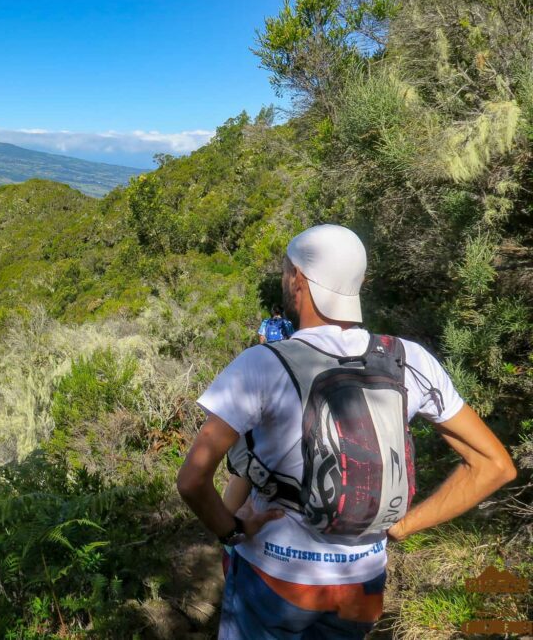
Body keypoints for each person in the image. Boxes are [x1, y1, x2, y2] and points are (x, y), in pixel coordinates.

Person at [176, 224, 516, 639]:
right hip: (362, 585)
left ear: (299, 280)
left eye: (287, 271)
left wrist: (231, 530)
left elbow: (193, 480)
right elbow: (494, 465)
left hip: (276, 578)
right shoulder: (410, 360)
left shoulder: (262, 364)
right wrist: (403, 526)